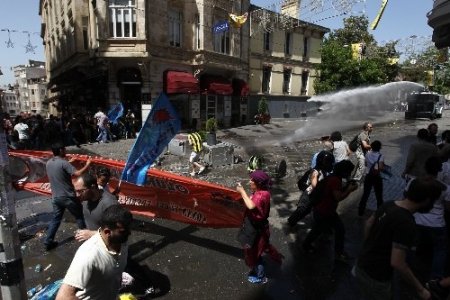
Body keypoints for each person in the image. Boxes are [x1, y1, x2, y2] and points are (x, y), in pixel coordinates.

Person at [355, 177, 445, 300]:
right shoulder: (406, 222)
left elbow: (368, 224)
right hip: (377, 275)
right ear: (426, 201)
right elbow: (397, 262)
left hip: (362, 264)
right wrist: (420, 289)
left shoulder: (388, 204)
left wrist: (369, 247)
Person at [56, 205, 132, 300]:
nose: (129, 233)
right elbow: (63, 297)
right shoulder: (88, 255)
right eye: (123, 231)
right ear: (108, 232)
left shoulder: (121, 240)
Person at [302, 160, 358, 261]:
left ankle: (307, 245)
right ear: (344, 171)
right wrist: (349, 190)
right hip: (325, 211)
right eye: (349, 172)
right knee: (338, 230)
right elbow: (338, 197)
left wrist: (346, 186)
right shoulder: (335, 180)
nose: (349, 174)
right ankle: (338, 253)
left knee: (319, 230)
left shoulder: (333, 177)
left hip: (323, 209)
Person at [236, 170, 283, 284]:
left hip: (255, 230)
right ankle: (259, 265)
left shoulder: (259, 196)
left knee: (254, 255)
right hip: (260, 228)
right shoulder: (264, 192)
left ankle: (260, 277)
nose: (250, 181)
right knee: (258, 250)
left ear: (259, 183)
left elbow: (251, 206)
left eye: (252, 180)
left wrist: (242, 192)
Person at [44, 142, 92, 251]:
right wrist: (88, 164)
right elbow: (77, 174)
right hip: (68, 197)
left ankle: (48, 241)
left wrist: (70, 162)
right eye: (64, 149)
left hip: (55, 198)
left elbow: (60, 168)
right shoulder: (64, 163)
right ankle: (86, 239)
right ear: (61, 150)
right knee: (79, 216)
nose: (66, 151)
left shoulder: (49, 163)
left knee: (56, 219)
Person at [414, 156, 450, 280]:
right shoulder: (445, 188)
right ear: (439, 170)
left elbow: (407, 197)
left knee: (417, 245)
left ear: (425, 167)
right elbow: (448, 208)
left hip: (417, 220)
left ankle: (413, 270)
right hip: (437, 223)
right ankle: (435, 278)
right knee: (440, 249)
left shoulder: (414, 182)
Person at [287, 150, 335, 228]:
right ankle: (291, 222)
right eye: (328, 163)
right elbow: (314, 185)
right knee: (302, 210)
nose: (331, 165)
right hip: (308, 194)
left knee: (307, 210)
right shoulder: (315, 171)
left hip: (315, 194)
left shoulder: (323, 172)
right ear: (322, 163)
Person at [73, 173, 118, 242]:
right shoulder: (85, 199)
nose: (77, 195)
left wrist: (92, 234)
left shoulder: (109, 203)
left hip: (108, 248)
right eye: (75, 191)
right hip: (94, 243)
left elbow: (117, 232)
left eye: (81, 191)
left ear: (93, 187)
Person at [358, 140, 385, 216]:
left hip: (368, 176)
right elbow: (381, 168)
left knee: (365, 194)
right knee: (379, 196)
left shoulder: (367, 154)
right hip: (377, 177)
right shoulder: (381, 156)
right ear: (379, 148)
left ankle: (360, 211)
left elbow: (366, 164)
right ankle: (380, 213)